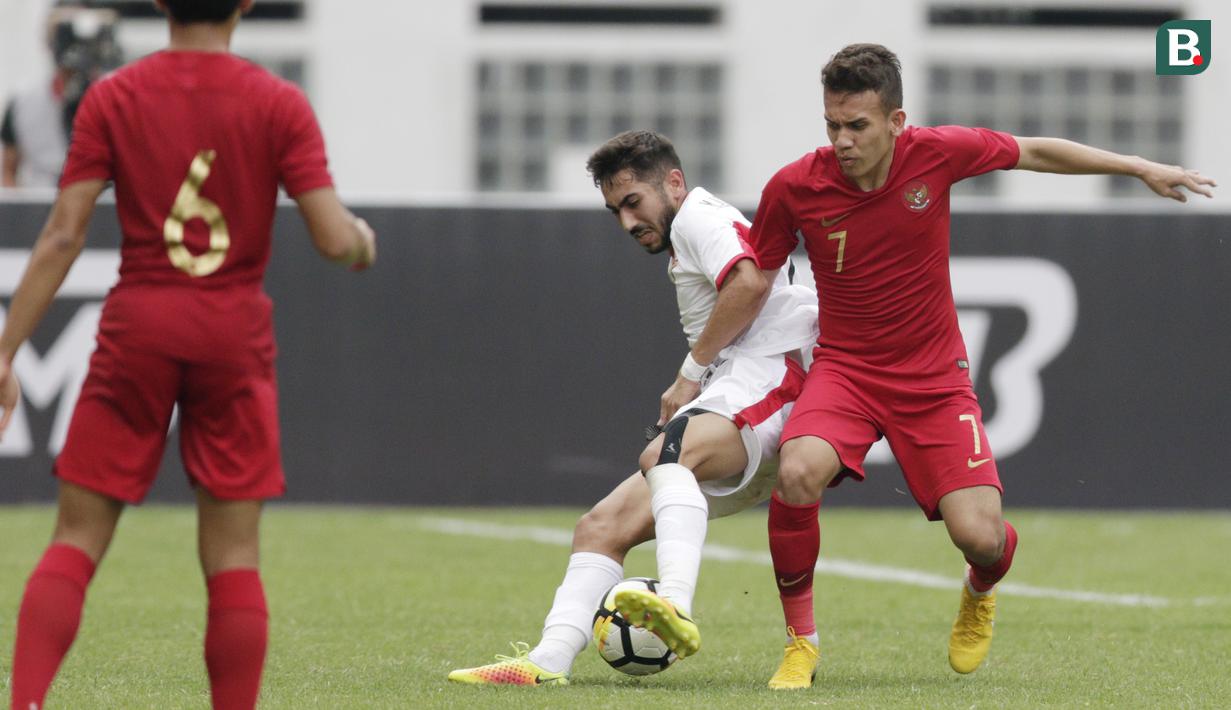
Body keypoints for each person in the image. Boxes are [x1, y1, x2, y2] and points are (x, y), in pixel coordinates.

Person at [740, 43, 1217, 690]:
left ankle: (979, 588)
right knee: (797, 473)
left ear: (896, 122)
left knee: (981, 537)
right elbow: (754, 278)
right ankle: (801, 643)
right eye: (832, 125)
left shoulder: (938, 152)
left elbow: (1037, 150)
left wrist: (1137, 167)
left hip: (933, 379)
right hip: (846, 370)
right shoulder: (794, 186)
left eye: (857, 126)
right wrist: (703, 363)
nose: (843, 141)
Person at [0, 1, 376, 708]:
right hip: (231, 333)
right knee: (232, 557)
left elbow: (61, 234)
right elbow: (332, 238)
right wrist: (361, 239)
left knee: (76, 539)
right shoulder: (278, 102)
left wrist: (5, 350)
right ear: (246, 4)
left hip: (137, 325)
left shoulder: (114, 95)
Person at [447, 130, 818, 686]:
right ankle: (546, 663)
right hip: (738, 390)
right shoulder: (687, 233)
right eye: (613, 210)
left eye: (632, 202)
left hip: (773, 377)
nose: (625, 222)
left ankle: (674, 606)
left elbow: (750, 279)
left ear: (672, 183)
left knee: (666, 454)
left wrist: (689, 375)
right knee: (600, 526)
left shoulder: (696, 216)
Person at [1, 4, 121, 188]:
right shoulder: (23, 102)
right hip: (41, 202)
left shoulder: (117, 99)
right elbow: (9, 170)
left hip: (100, 199)